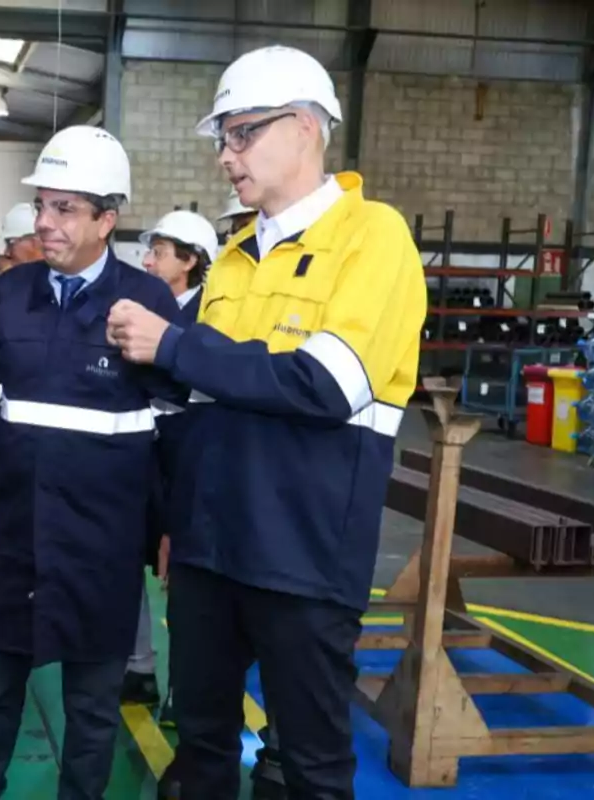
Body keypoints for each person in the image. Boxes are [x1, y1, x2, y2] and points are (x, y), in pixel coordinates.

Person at [105, 45, 426, 800]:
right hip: (210, 551)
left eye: (242, 133)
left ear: (307, 127)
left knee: (311, 764)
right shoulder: (238, 258)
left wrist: (176, 346)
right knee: (203, 747)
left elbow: (326, 383)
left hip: (303, 559)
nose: (226, 156)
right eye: (223, 138)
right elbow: (201, 406)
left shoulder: (373, 238)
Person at [0, 125, 185, 800]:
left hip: (102, 542)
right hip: (13, 532)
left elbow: (174, 430)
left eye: (64, 209)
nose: (44, 223)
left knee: (93, 708)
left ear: (108, 218)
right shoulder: (6, 298)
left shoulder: (147, 305)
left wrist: (170, 525)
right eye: (42, 206)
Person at [128, 210, 219, 717]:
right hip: (146, 451)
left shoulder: (211, 314)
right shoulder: (148, 306)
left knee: (182, 578)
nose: (147, 259)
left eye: (159, 252)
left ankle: (183, 691)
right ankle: (138, 667)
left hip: (191, 455)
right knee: (131, 559)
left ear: (190, 261)